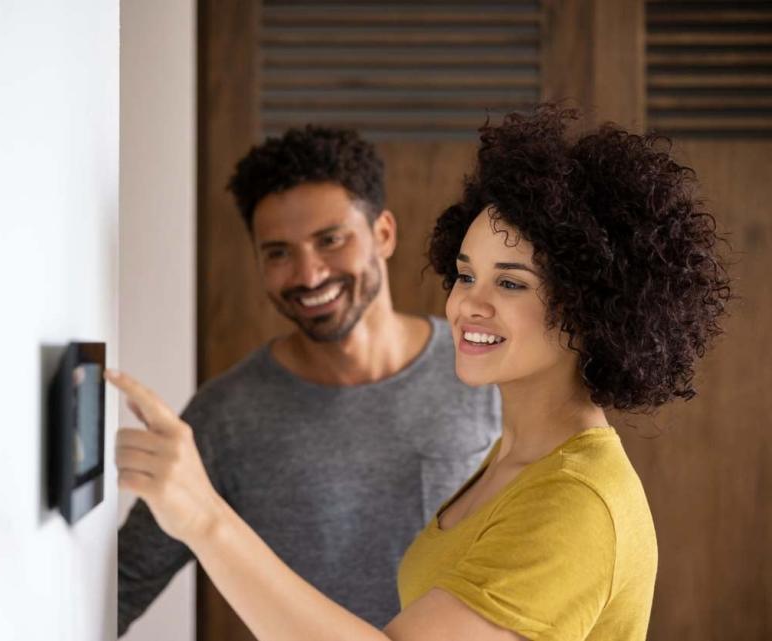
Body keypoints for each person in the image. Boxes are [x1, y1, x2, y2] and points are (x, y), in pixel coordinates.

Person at [108, 105, 732, 641]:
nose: (467, 304)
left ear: (592, 302)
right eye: (465, 274)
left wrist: (205, 519)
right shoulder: (513, 457)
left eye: (510, 282)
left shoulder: (578, 500)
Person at [116, 126, 501, 635]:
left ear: (383, 234)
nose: (309, 273)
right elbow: (118, 590)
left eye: (330, 240)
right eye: (278, 252)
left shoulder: (486, 375)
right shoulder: (225, 417)